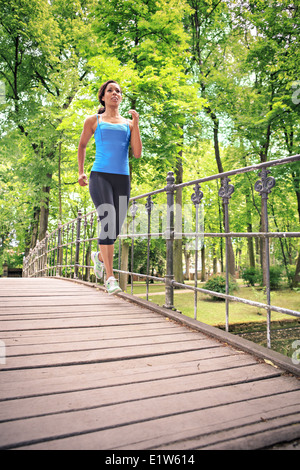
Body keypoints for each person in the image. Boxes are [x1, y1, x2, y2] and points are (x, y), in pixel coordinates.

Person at [77, 80, 142, 294]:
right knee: (108, 219)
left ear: (121, 97)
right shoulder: (93, 120)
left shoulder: (129, 123)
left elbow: (138, 153)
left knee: (113, 230)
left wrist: (137, 123)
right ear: (103, 97)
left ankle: (98, 255)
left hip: (122, 178)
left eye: (118, 91)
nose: (115, 93)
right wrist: (81, 171)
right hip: (100, 176)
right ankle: (110, 278)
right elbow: (83, 145)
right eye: (110, 90)